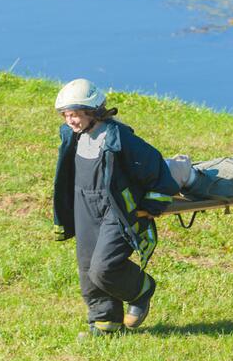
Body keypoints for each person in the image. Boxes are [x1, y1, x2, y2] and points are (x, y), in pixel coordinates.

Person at [52, 78, 180, 337]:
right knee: (88, 271)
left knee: (104, 267)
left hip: (115, 209)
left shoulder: (118, 137)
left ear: (93, 112)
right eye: (66, 115)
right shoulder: (72, 136)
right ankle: (105, 325)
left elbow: (157, 170)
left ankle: (141, 289)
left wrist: (151, 205)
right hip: (84, 205)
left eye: (75, 115)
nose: (70, 120)